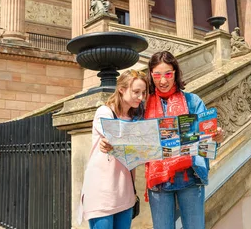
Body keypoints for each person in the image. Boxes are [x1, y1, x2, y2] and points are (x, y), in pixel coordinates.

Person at [134, 51, 224, 229]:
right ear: (151, 75)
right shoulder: (143, 105)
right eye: (157, 75)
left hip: (190, 176)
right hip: (158, 181)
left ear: (175, 72)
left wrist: (216, 137)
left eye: (168, 74)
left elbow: (208, 140)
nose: (163, 81)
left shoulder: (192, 101)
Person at [80, 69, 149, 229]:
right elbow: (117, 137)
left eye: (143, 92)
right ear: (122, 89)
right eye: (136, 92)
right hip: (102, 193)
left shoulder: (135, 118)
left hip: (125, 192)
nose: (141, 97)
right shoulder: (104, 112)